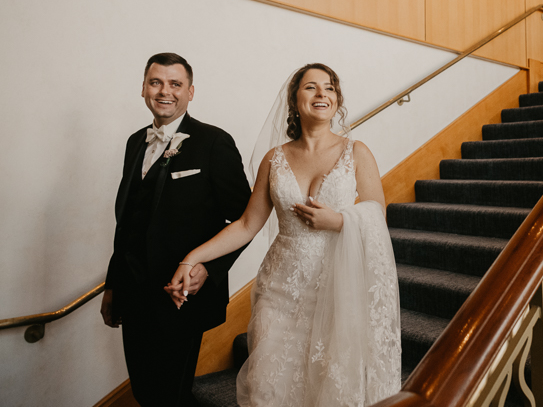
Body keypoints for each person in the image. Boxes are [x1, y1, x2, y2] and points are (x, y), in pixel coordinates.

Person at [166, 63, 401, 406]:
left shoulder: (357, 152)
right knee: (270, 384)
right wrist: (193, 257)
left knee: (327, 382)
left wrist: (337, 221)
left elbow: (376, 214)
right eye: (311, 87)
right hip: (280, 287)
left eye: (330, 88)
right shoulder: (274, 159)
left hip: (336, 286)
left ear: (337, 100)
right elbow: (247, 224)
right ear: (294, 100)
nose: (322, 93)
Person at [101, 53, 251, 406]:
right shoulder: (135, 141)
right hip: (133, 292)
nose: (164, 91)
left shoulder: (214, 142)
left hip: (181, 293)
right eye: (156, 82)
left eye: (175, 84)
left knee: (170, 393)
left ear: (190, 91)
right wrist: (112, 286)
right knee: (142, 388)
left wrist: (208, 269)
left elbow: (244, 219)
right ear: (143, 89)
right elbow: (126, 223)